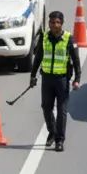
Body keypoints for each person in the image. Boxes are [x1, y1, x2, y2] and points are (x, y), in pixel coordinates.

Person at [29, 9, 82, 152]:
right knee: (46, 107)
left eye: (57, 22)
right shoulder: (44, 37)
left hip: (62, 80)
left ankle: (59, 140)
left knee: (62, 110)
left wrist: (77, 79)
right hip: (47, 79)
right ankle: (52, 132)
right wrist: (32, 76)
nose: (54, 25)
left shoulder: (69, 39)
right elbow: (38, 58)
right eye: (52, 22)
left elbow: (76, 60)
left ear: (62, 24)